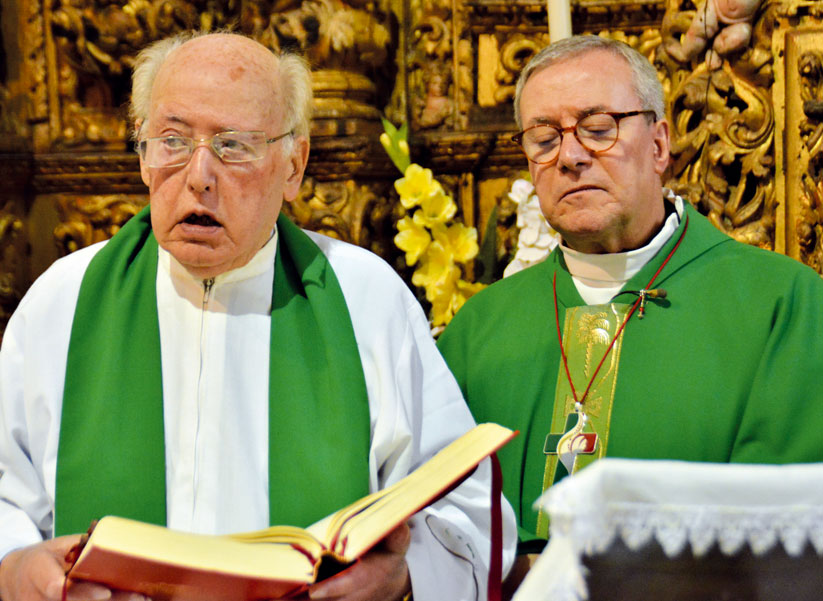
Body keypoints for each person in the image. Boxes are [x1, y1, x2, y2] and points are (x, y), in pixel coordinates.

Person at [0, 31, 516, 601]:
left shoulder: (366, 299)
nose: (198, 175)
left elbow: (464, 511)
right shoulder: (63, 302)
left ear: (293, 166)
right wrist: (14, 566)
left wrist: (406, 576)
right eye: (171, 140)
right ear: (144, 157)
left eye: (233, 145)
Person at [436, 34, 823, 573]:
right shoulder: (476, 331)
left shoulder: (783, 305)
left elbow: (788, 533)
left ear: (660, 144)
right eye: (544, 139)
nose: (569, 157)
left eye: (598, 129)